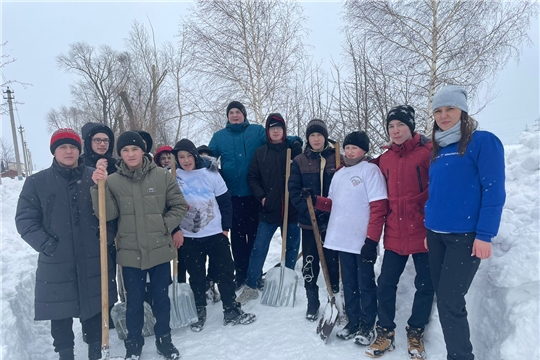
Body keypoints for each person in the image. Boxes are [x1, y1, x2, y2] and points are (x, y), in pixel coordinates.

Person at [15, 128, 117, 360]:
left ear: (79, 150)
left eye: (72, 147)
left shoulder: (96, 177)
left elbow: (112, 212)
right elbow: (25, 220)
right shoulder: (37, 182)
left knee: (94, 308)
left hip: (93, 255)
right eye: (63, 147)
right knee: (59, 312)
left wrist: (106, 237)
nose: (68, 151)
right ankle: (65, 354)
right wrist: (49, 245)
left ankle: (95, 352)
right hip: (57, 260)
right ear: (54, 151)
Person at [90, 131, 188, 360]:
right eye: (125, 150)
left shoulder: (162, 177)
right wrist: (98, 188)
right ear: (120, 154)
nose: (130, 154)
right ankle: (133, 345)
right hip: (130, 253)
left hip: (160, 250)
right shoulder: (112, 181)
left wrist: (163, 225)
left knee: (161, 300)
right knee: (133, 303)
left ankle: (165, 340)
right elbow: (107, 214)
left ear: (143, 150)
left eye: (134, 149)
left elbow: (179, 206)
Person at [425, 85, 505, 360]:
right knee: (445, 299)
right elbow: (435, 191)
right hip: (435, 236)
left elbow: (493, 190)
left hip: (465, 237)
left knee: (450, 301)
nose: (444, 115)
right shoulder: (438, 148)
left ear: (463, 111)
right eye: (438, 110)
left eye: (450, 109)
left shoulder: (483, 142)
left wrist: (485, 234)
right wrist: (429, 225)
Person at [304, 131, 388, 345]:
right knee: (349, 283)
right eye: (347, 147)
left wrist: (372, 240)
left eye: (354, 148)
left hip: (362, 240)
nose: (349, 151)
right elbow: (333, 203)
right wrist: (315, 200)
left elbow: (379, 207)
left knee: (365, 283)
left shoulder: (371, 171)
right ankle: (353, 320)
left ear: (364, 151)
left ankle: (367, 325)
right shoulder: (339, 174)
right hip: (342, 238)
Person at [208, 101, 302, 289]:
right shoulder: (219, 137)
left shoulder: (257, 131)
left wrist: (295, 141)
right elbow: (209, 157)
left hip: (254, 197)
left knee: (253, 236)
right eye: (231, 112)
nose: (234, 115)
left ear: (244, 114)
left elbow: (276, 136)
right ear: (227, 116)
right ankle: (241, 274)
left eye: (238, 112)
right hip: (233, 195)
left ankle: (255, 273)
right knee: (237, 237)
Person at [366, 106, 434, 359]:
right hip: (394, 232)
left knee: (426, 285)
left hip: (423, 232)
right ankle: (385, 331)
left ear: (411, 127)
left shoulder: (427, 153)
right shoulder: (385, 159)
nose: (395, 131)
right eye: (391, 127)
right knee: (385, 284)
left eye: (400, 126)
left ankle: (416, 330)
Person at [172, 139, 256, 332]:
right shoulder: (172, 176)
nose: (185, 160)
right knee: (197, 275)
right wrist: (175, 229)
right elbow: (167, 206)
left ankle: (231, 309)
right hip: (189, 236)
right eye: (181, 157)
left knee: (226, 272)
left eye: (188, 156)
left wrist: (225, 227)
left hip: (215, 233)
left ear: (195, 156)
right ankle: (199, 310)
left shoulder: (211, 173)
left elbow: (225, 202)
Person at [237, 113, 302, 304]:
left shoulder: (293, 151)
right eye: (272, 128)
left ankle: (286, 279)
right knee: (259, 248)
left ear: (284, 131)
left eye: (279, 128)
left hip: (292, 209)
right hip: (269, 209)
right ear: (268, 131)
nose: (275, 131)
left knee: (291, 246)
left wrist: (297, 146)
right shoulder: (260, 153)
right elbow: (252, 178)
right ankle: (251, 284)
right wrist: (262, 197)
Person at [288, 118, 342, 321]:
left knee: (332, 260)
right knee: (310, 263)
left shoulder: (337, 158)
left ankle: (334, 297)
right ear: (307, 138)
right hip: (308, 221)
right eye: (312, 135)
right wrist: (307, 208)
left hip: (332, 221)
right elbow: (293, 190)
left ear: (325, 137)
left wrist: (327, 211)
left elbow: (344, 189)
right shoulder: (299, 161)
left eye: (319, 135)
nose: (316, 138)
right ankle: (312, 302)